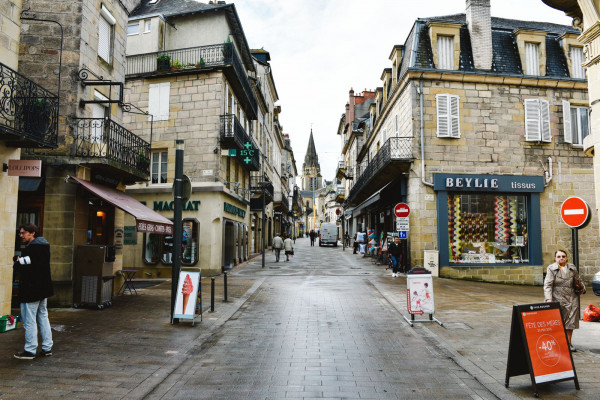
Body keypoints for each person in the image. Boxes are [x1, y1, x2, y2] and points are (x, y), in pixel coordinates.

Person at [13, 224, 54, 359]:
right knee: (43, 317)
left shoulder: (32, 248)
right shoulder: (44, 246)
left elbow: (21, 266)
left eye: (23, 233)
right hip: (43, 289)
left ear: (32, 233)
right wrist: (20, 261)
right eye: (20, 233)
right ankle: (47, 348)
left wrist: (17, 261)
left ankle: (30, 350)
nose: (21, 235)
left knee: (29, 320)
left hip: (30, 289)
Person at [544, 250, 586, 352]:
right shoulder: (551, 268)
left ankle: (568, 343)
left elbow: (578, 280)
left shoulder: (572, 268)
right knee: (557, 322)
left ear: (566, 258)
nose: (561, 258)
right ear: (555, 258)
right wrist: (549, 299)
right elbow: (548, 285)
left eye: (563, 256)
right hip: (557, 298)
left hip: (572, 298)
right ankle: (557, 342)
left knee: (571, 322)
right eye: (558, 256)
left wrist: (582, 287)